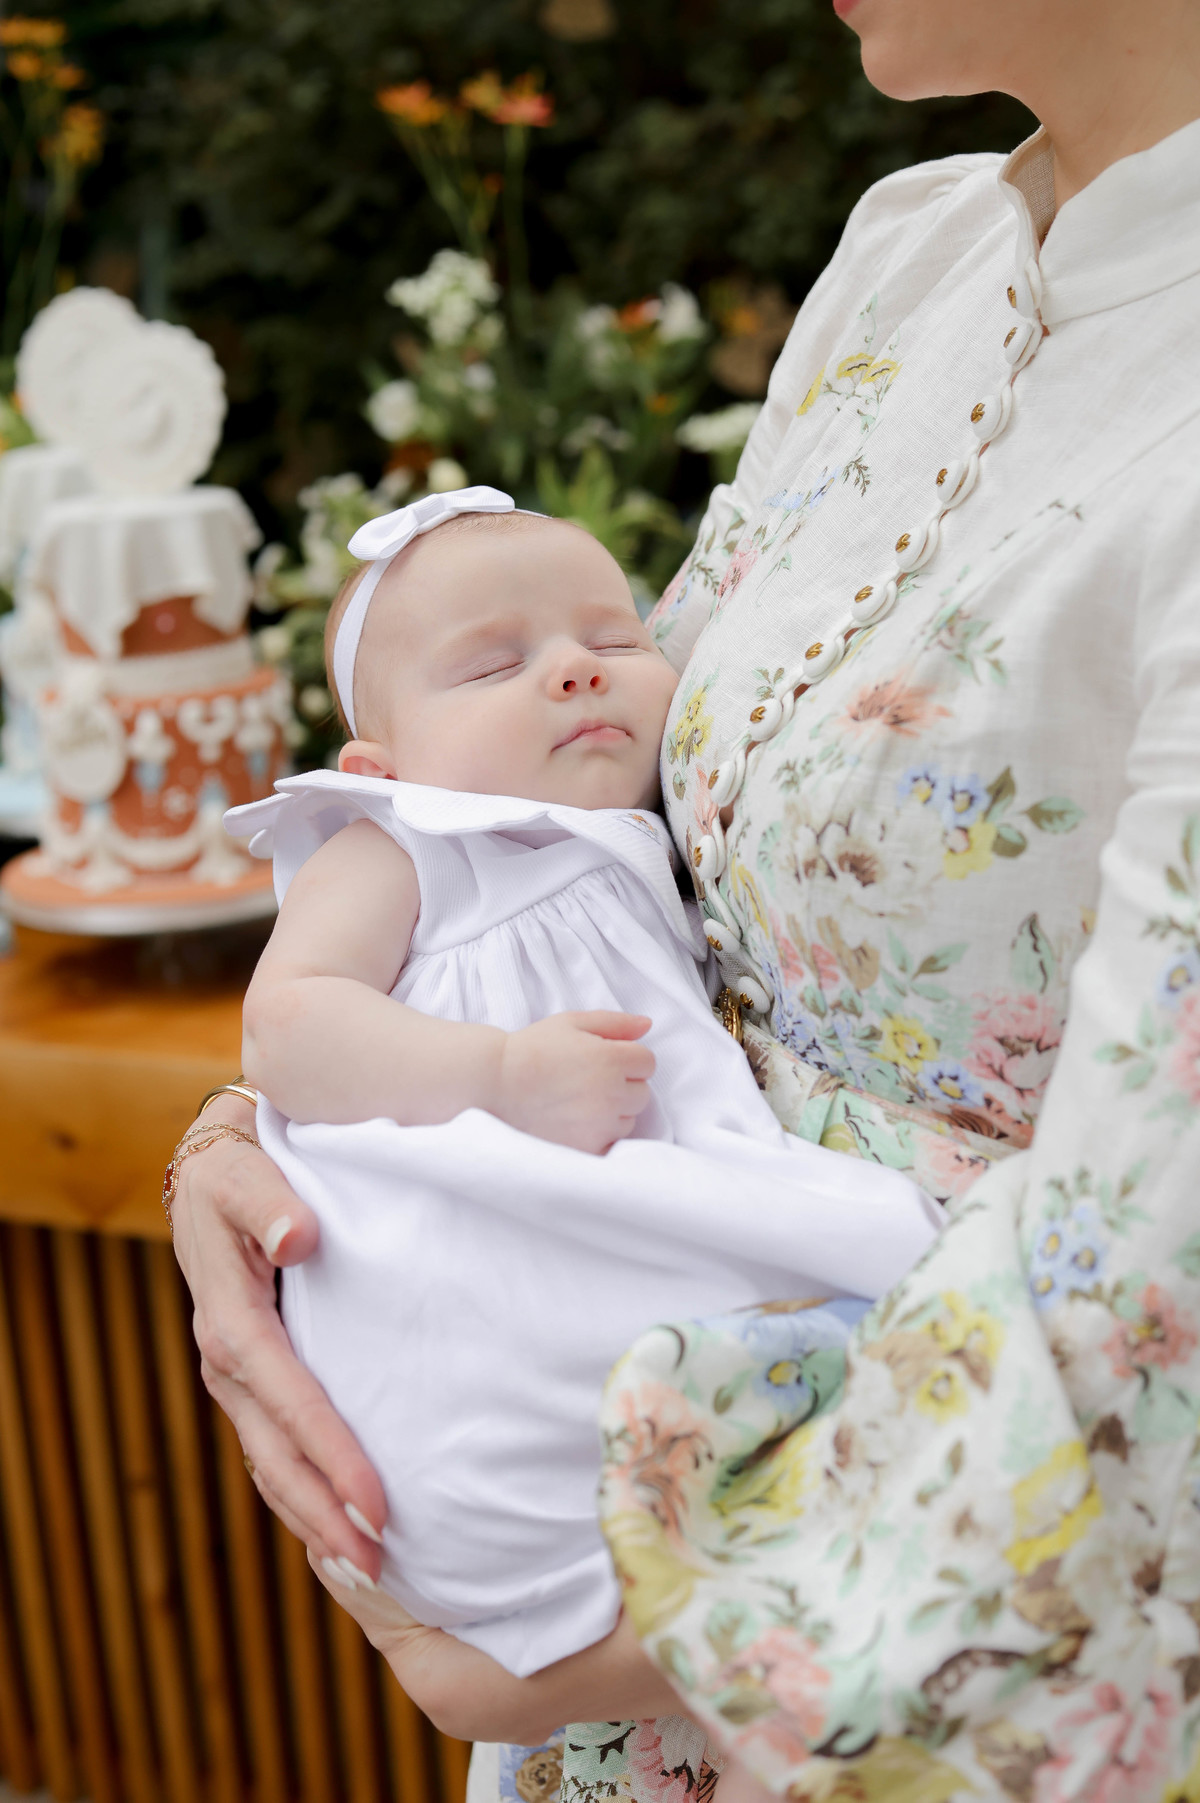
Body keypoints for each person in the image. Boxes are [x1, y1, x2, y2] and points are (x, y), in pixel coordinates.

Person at [170, 0, 1200, 1794]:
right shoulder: (913, 251)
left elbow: (1156, 1282)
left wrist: (605, 1649)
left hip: (922, 1639)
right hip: (642, 1537)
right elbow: (588, 826)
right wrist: (267, 1138)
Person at [223, 485, 941, 1678]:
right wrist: (493, 1072)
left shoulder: (633, 837)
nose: (574, 671)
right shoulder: (405, 841)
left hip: (638, 1190)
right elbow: (287, 1028)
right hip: (475, 1202)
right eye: (491, 666)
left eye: (611, 640)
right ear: (379, 760)